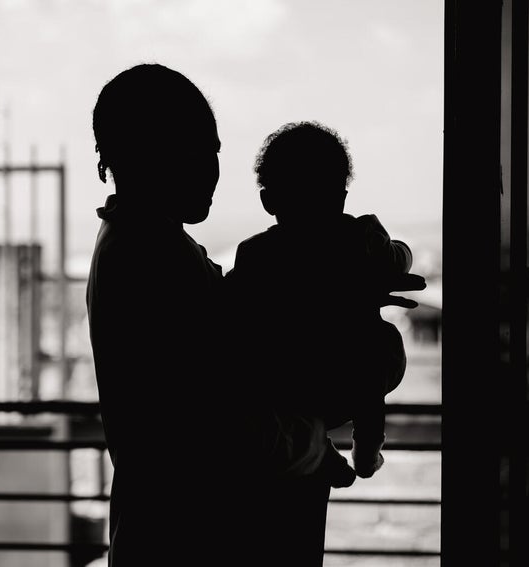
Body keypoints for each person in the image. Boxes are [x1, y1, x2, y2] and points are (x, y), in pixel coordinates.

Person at [86, 64, 352, 566]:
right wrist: (314, 447)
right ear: (157, 154)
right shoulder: (155, 261)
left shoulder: (139, 245)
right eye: (203, 151)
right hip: (196, 537)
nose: (213, 171)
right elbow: (216, 427)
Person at [226, 121, 424, 566]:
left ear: (268, 200)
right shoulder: (360, 237)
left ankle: (322, 445)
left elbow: (233, 311)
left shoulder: (254, 253)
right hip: (347, 374)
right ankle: (366, 447)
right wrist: (397, 254)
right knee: (374, 346)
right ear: (342, 196)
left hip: (286, 382)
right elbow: (396, 257)